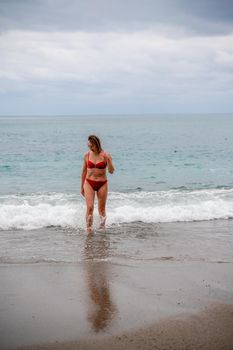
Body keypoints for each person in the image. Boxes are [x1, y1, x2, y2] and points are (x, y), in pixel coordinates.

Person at [81, 135, 115, 232]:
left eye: (91, 146)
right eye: (89, 146)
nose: (90, 148)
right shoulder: (86, 155)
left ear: (96, 144)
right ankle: (88, 229)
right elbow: (83, 172)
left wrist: (109, 161)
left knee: (102, 209)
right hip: (89, 183)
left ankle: (102, 229)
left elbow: (111, 171)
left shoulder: (105, 155)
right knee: (90, 208)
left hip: (102, 183)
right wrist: (81, 187)